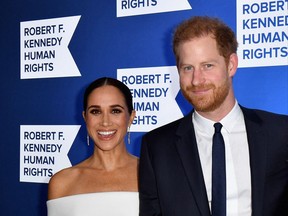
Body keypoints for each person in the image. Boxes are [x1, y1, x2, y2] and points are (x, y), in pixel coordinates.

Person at [139, 16, 288, 216]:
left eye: (207, 66)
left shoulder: (280, 133)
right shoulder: (157, 146)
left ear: (231, 64)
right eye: (187, 68)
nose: (197, 80)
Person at [47, 77, 139, 216]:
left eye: (115, 111)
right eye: (96, 111)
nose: (105, 122)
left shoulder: (153, 175)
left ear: (131, 116)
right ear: (85, 117)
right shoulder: (62, 182)